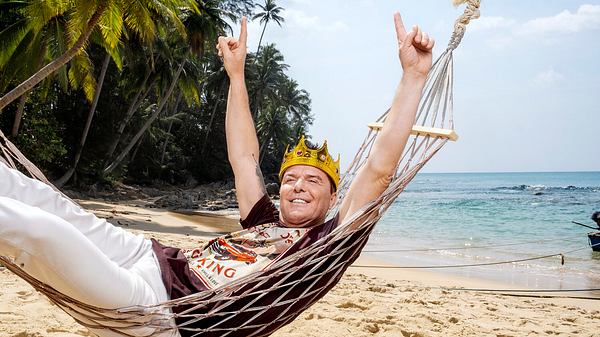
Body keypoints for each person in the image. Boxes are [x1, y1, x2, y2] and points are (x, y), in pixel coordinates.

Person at [0, 12, 434, 337]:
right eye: (290, 179)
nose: (298, 186)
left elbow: (378, 171)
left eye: (313, 181)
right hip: (146, 255)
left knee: (39, 231)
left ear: (333, 197)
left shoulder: (327, 245)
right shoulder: (264, 220)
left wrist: (413, 78)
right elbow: (244, 158)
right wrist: (237, 75)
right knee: (38, 197)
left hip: (158, 310)